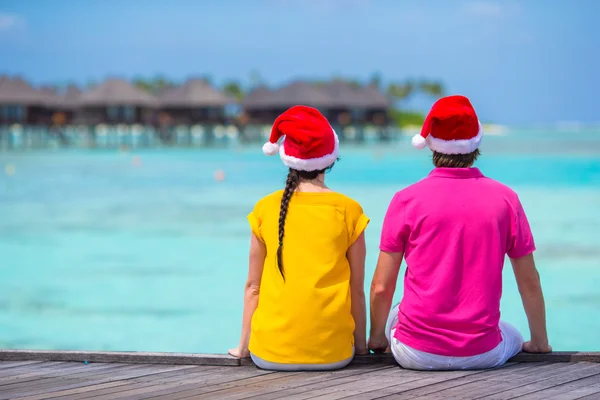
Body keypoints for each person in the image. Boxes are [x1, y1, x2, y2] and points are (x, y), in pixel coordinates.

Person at [368, 95, 551, 370]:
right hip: (482, 354)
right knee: (511, 333)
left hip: (415, 354)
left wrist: (377, 337)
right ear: (476, 141)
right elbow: (529, 281)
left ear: (431, 143)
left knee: (398, 310)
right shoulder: (506, 199)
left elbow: (382, 287)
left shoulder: (406, 200)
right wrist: (540, 342)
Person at [228, 105, 370, 371]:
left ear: (286, 158)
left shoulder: (265, 209)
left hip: (268, 355)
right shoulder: (349, 210)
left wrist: (244, 349)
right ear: (330, 159)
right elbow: (356, 290)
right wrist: (360, 347)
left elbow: (253, 288)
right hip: (333, 356)